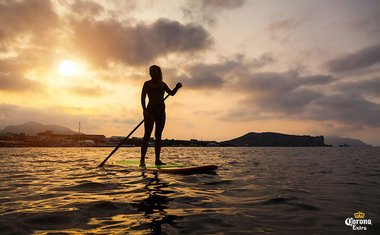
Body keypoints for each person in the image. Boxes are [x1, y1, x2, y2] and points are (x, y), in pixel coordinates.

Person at [140, 65, 181, 167]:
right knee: (147, 136)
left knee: (158, 136)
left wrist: (177, 87)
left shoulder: (162, 84)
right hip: (150, 111)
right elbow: (143, 97)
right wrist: (144, 110)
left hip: (161, 112)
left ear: (158, 72)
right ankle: (142, 160)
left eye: (154, 71)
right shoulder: (147, 84)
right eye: (151, 71)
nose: (152, 72)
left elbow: (171, 93)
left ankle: (157, 160)